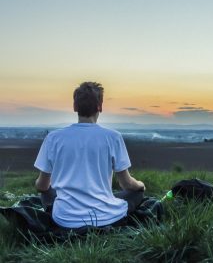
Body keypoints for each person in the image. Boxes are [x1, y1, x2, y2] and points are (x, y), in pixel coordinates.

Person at [34, 81, 145, 229]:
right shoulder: (113, 137)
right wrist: (141, 185)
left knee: (47, 191)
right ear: (100, 107)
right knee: (137, 193)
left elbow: (41, 186)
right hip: (106, 218)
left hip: (65, 219)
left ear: (75, 107)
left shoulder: (53, 138)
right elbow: (126, 184)